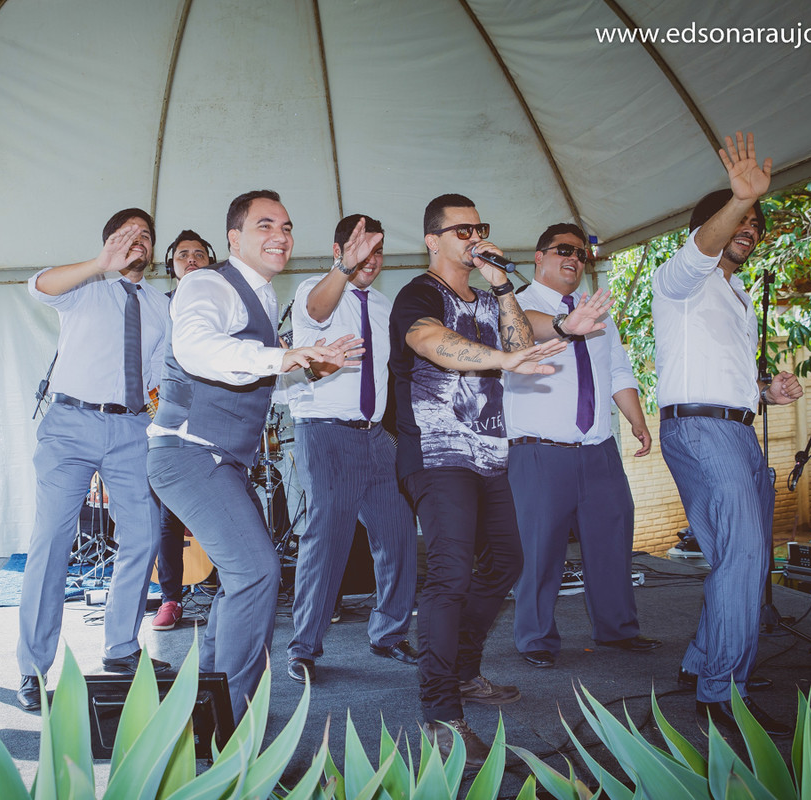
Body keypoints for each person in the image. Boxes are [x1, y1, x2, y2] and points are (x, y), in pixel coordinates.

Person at [147, 190, 361, 721]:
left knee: (245, 576)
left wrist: (304, 368)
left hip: (221, 460)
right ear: (233, 238)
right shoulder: (207, 283)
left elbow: (253, 376)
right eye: (265, 225)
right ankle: (235, 725)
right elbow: (196, 347)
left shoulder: (262, 296)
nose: (281, 236)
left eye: (287, 227)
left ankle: (208, 705)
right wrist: (287, 355)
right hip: (189, 452)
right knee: (258, 571)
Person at [388, 194, 584, 768]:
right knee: (449, 574)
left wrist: (501, 285)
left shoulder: (490, 293)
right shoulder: (419, 293)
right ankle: (441, 712)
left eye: (481, 227)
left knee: (505, 561)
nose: (474, 237)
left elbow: (521, 349)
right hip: (435, 452)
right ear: (432, 239)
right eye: (461, 229)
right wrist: (498, 361)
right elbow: (428, 342)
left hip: (488, 455)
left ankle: (464, 669)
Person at [652, 131, 802, 738]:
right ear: (709, 226)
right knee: (742, 560)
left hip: (733, 429)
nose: (750, 227)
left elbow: (719, 374)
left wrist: (767, 392)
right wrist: (738, 200)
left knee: (741, 561)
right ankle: (723, 694)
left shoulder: (735, 292)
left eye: (755, 221)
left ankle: (702, 666)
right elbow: (701, 247)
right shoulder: (679, 279)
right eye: (740, 218)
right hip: (702, 432)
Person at [16, 208, 171, 711]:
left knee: (144, 533)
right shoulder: (86, 286)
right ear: (108, 243)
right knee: (51, 541)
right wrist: (98, 262)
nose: (139, 242)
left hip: (129, 427)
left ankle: (122, 648)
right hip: (70, 426)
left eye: (146, 235)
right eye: (128, 235)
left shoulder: (159, 304)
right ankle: (32, 669)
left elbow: (160, 372)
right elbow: (38, 285)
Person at [505, 222, 660, 670]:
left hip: (599, 448)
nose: (573, 259)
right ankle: (535, 637)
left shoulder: (596, 311)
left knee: (612, 539)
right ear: (538, 256)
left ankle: (617, 630)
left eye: (581, 254)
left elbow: (618, 371)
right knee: (538, 550)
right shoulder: (513, 307)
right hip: (539, 452)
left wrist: (637, 421)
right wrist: (565, 327)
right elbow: (526, 341)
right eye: (562, 250)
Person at [285, 214, 419, 684]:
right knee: (329, 539)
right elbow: (319, 315)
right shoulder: (313, 292)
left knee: (399, 533)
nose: (371, 260)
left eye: (378, 252)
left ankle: (390, 633)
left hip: (375, 437)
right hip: (325, 433)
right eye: (362, 250)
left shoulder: (384, 307)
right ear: (340, 250)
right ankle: (303, 648)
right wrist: (344, 268)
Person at [151, 230, 216, 632]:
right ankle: (171, 599)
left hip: (216, 423)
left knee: (234, 508)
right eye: (182, 255)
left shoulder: (225, 305)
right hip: (170, 424)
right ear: (171, 266)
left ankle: (235, 593)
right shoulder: (158, 308)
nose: (191, 260)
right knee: (168, 518)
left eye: (198, 254)